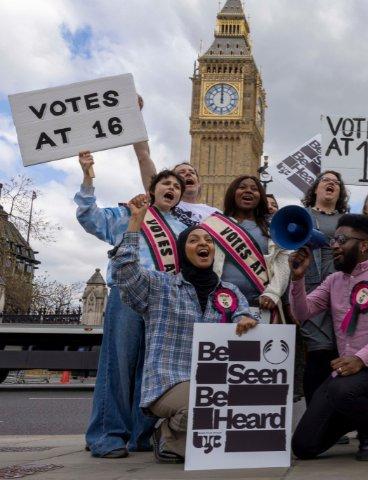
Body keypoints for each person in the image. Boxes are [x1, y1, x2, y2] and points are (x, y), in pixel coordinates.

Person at [112, 195, 257, 462]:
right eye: (193, 240)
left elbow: (243, 317)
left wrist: (245, 322)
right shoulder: (159, 286)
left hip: (216, 380)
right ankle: (167, 433)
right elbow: (124, 272)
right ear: (182, 251)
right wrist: (135, 223)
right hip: (170, 380)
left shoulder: (230, 291)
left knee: (238, 419)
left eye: (208, 241)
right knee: (205, 405)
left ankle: (175, 442)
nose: (203, 244)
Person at [76, 152, 188, 458]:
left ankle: (140, 435)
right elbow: (90, 217)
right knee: (117, 366)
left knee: (150, 370)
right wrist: (88, 176)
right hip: (127, 295)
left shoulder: (182, 228)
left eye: (176, 186)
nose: (172, 188)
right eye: (166, 182)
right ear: (152, 189)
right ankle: (107, 435)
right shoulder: (130, 213)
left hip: (161, 304)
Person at [289, 214, 368, 461]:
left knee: (342, 390)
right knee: (303, 446)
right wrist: (297, 279)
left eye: (341, 239)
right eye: (333, 240)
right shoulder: (333, 280)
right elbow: (302, 312)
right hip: (346, 374)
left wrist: (361, 359)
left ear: (363, 245)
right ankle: (364, 417)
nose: (334, 245)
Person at [203, 176, 290, 322]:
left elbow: (283, 262)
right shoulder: (214, 224)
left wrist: (273, 293)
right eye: (242, 187)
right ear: (233, 193)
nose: (248, 191)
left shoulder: (272, 228)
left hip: (262, 305)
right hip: (221, 303)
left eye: (254, 189)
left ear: (260, 196)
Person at [298, 171, 350, 403]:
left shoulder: (347, 221)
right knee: (318, 354)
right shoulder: (302, 216)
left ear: (339, 193)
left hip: (343, 294)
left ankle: (333, 417)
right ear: (316, 189)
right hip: (312, 293)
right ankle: (315, 417)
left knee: (339, 354)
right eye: (326, 181)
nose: (331, 184)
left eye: (336, 183)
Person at [134, 140, 217, 225]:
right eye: (182, 172)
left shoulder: (216, 213)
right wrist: (137, 130)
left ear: (199, 184)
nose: (188, 173)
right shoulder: (162, 200)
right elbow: (143, 157)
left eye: (192, 172)